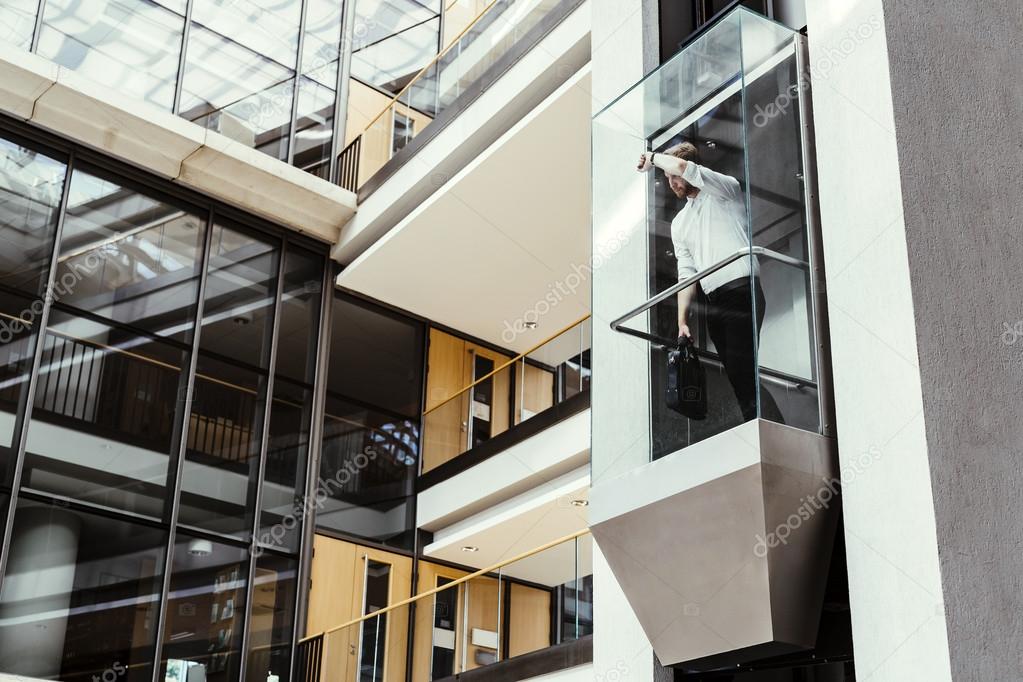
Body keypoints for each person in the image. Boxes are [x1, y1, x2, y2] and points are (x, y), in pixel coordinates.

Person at [637, 142, 782, 423]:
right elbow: (687, 274)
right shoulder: (680, 223)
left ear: (691, 172)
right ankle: (762, 428)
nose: (672, 183)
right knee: (739, 375)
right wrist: (682, 322)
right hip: (713, 302)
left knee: (742, 370)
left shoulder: (724, 191)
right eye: (667, 179)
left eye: (674, 177)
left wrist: (652, 159)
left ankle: (767, 430)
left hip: (742, 290)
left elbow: (682, 167)